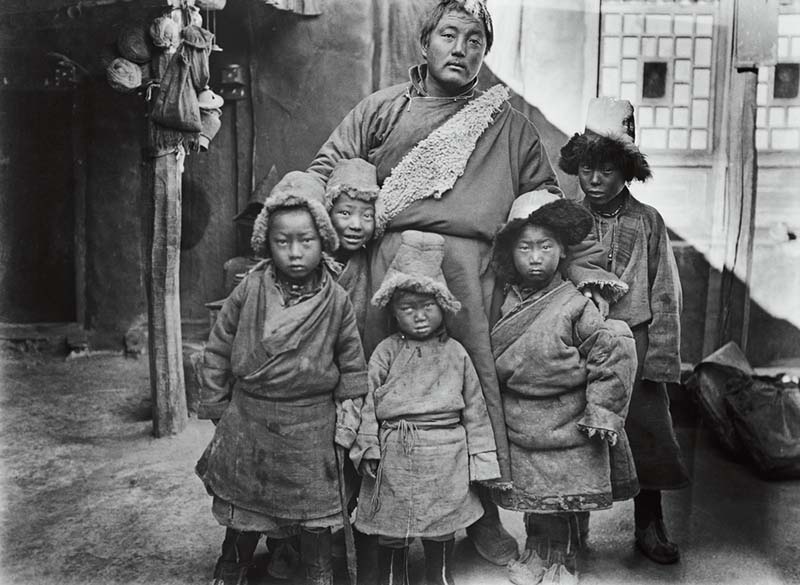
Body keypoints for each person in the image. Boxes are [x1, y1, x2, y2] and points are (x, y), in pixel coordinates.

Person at [307, 0, 625, 565]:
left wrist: (586, 270)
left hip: (476, 278)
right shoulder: (381, 110)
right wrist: (314, 230)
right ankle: (362, 511)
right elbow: (324, 171)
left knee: (477, 391)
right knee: (380, 388)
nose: (461, 48)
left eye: (475, 40)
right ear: (424, 44)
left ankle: (482, 515)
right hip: (388, 269)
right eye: (449, 35)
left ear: (485, 52)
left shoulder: (508, 123)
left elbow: (544, 205)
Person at [194, 171, 369, 585]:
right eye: (282, 241)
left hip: (311, 425)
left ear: (323, 239)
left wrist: (349, 413)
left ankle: (317, 570)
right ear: (265, 241)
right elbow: (218, 347)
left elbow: (351, 362)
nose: (294, 253)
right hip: (251, 417)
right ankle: (232, 564)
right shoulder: (250, 288)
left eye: (305, 241)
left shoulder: (336, 300)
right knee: (243, 502)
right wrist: (218, 405)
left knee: (314, 511)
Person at [558, 97, 690, 564]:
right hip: (580, 343)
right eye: (588, 169)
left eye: (607, 171)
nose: (595, 180)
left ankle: (650, 523)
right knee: (580, 434)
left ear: (626, 172)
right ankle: (574, 524)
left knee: (647, 431)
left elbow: (665, 294)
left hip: (634, 342)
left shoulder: (647, 221)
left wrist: (660, 357)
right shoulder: (566, 217)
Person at [489, 191, 639, 585]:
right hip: (521, 417)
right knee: (534, 499)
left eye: (546, 246)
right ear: (510, 251)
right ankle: (537, 552)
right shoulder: (501, 301)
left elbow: (611, 354)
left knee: (564, 498)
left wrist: (602, 411)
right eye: (525, 247)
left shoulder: (576, 303)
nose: (535, 257)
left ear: (562, 251)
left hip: (570, 418)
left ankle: (564, 559)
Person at [351, 230, 500, 585]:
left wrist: (480, 459)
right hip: (395, 452)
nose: (419, 316)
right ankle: (393, 576)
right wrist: (368, 445)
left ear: (443, 306)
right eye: (408, 308)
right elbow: (368, 401)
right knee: (391, 525)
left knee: (442, 525)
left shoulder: (457, 353)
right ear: (393, 310)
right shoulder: (385, 352)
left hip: (445, 453)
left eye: (428, 306)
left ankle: (440, 576)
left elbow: (476, 410)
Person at [325, 158, 379, 338]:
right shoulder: (311, 261)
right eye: (345, 213)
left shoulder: (372, 264)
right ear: (328, 213)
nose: (356, 225)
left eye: (367, 215)